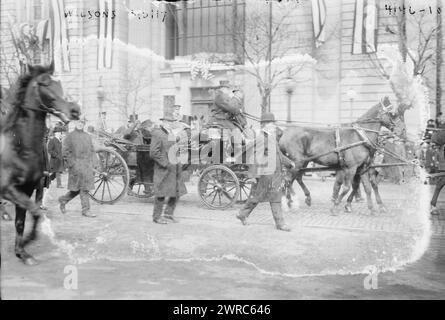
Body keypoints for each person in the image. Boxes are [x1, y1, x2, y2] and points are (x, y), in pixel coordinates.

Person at [236, 112, 292, 232]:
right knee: (257, 197)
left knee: (275, 197)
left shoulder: (272, 137)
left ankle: (280, 223)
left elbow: (279, 154)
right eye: (271, 123)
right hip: (265, 175)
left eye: (273, 123)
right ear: (264, 125)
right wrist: (254, 175)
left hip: (275, 174)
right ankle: (242, 214)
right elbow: (256, 157)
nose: (273, 126)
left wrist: (289, 163)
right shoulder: (261, 137)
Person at [149, 112, 187, 224]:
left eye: (172, 122)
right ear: (164, 122)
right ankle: (156, 217)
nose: (171, 124)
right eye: (169, 122)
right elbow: (153, 152)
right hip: (164, 169)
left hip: (174, 168)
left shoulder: (170, 133)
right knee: (161, 193)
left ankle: (168, 214)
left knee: (177, 191)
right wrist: (165, 163)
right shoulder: (157, 133)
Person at [58, 116, 97, 218]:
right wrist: (72, 164)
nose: (81, 124)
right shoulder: (70, 136)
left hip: (87, 166)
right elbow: (64, 152)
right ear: (75, 123)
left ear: (84, 124)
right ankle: (86, 210)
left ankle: (63, 199)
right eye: (79, 122)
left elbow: (92, 150)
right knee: (82, 189)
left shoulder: (87, 136)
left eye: (83, 122)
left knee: (81, 189)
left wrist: (94, 163)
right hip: (76, 167)